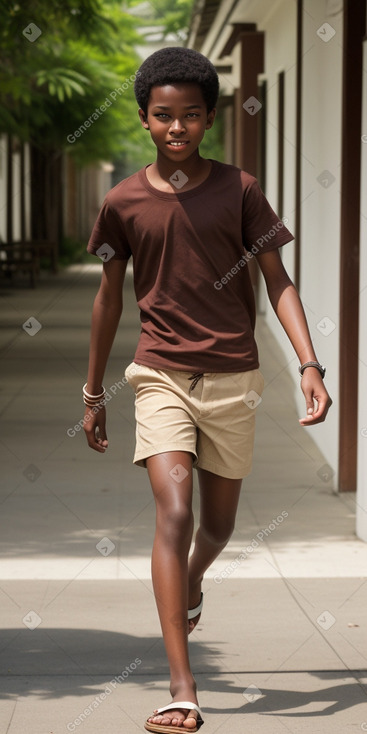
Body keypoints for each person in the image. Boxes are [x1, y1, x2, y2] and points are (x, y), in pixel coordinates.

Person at [83, 46, 332, 733]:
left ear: (209, 118)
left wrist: (310, 364)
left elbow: (276, 280)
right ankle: (182, 686)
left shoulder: (240, 190)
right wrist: (93, 391)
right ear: (143, 119)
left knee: (216, 528)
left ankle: (194, 579)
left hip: (233, 378)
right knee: (175, 512)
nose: (176, 129)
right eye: (163, 116)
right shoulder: (122, 202)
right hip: (159, 374)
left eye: (190, 116)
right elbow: (108, 299)